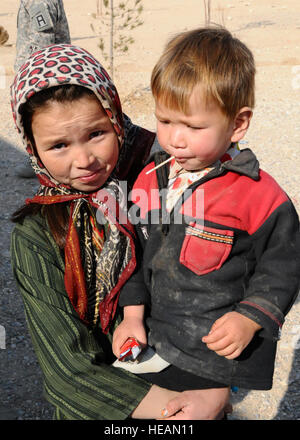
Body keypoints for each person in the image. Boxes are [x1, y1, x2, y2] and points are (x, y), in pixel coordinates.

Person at [10, 43, 230, 420]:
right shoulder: (37, 236)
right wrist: (183, 412)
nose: (84, 161)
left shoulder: (172, 180)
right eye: (59, 145)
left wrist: (218, 388)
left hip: (196, 382)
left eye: (96, 134)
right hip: (112, 408)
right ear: (32, 147)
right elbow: (68, 372)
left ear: (114, 116)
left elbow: (233, 275)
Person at [112, 27, 300, 396]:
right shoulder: (152, 178)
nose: (174, 139)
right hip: (153, 340)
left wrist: (251, 316)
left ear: (237, 124)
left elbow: (284, 264)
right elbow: (135, 250)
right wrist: (132, 314)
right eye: (164, 121)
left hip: (213, 354)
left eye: (194, 126)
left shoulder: (258, 195)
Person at [15, 0, 71, 178]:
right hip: (48, 72)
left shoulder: (38, 1)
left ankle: (40, 162)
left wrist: (33, 79)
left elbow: (42, 44)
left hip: (40, 75)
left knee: (40, 118)